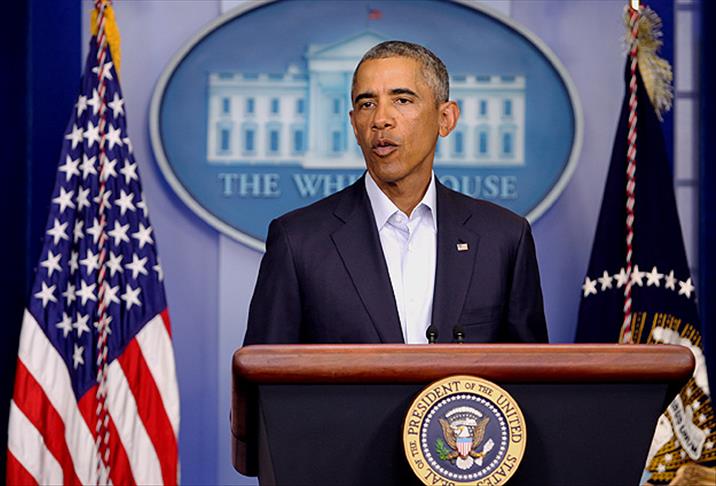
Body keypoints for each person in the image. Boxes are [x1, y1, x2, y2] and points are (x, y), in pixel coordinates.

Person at [243, 41, 548, 345]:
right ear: (354, 125)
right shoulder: (298, 241)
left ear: (445, 119)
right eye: (367, 104)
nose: (380, 120)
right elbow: (265, 370)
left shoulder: (504, 238)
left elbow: (530, 372)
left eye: (402, 100)